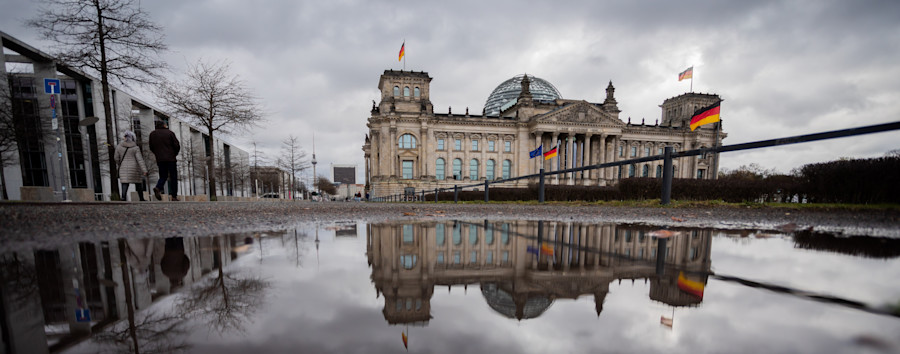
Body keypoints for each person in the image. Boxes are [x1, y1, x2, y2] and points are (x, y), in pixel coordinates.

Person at [149, 120, 181, 201]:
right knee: (173, 177)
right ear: (164, 125)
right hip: (171, 158)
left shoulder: (152, 134)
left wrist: (157, 154)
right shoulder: (170, 133)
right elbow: (176, 145)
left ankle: (158, 187)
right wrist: (174, 154)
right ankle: (174, 196)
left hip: (160, 159)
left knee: (163, 175)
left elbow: (151, 146)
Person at [115, 130, 149, 201]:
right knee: (138, 183)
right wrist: (144, 170)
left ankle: (123, 197)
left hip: (123, 167)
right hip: (134, 168)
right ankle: (141, 198)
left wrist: (120, 163)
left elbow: (116, 158)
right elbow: (139, 159)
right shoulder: (135, 148)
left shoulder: (119, 147)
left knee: (125, 183)